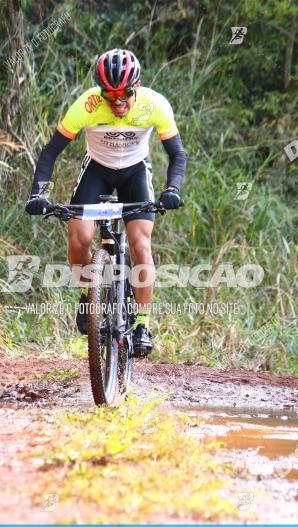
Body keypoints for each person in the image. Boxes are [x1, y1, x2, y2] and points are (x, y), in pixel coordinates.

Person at [25, 48, 187, 357]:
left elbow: (177, 154)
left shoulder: (155, 105)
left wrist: (173, 189)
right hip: (97, 170)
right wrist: (39, 194)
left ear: (136, 88)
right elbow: (50, 153)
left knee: (141, 245)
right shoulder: (86, 105)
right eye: (109, 97)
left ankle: (142, 324)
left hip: (135, 172)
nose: (116, 104)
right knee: (79, 238)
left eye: (123, 96)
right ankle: (90, 295)